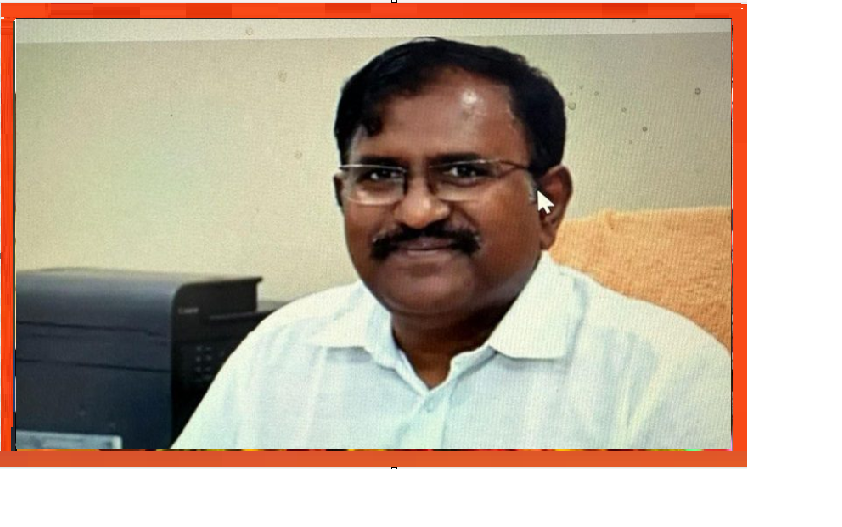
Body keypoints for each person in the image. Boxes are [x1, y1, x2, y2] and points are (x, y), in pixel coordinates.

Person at [173, 37, 731, 449]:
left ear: (549, 203)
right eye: (380, 175)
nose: (418, 211)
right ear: (343, 196)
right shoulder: (280, 353)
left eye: (464, 172)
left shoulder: (664, 377)